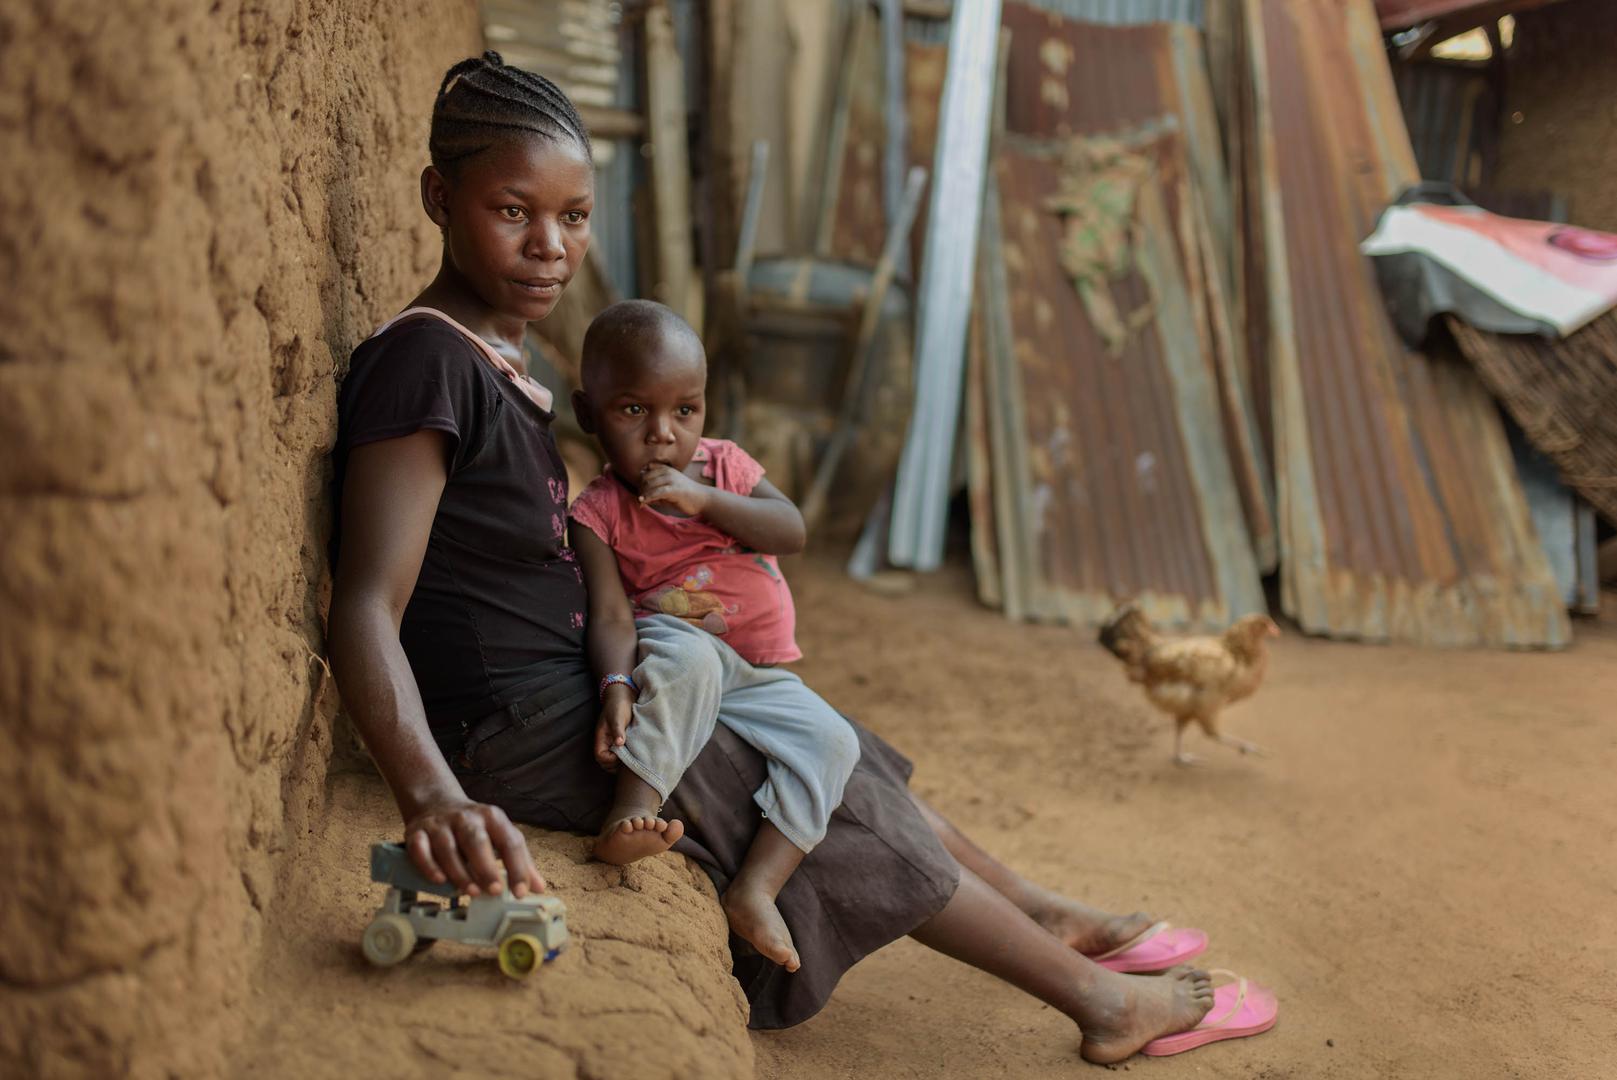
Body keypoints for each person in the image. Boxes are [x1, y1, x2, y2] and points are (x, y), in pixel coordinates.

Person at [327, 51, 1269, 1063]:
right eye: (514, 211)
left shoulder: (500, 361)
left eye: (575, 215)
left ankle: (1042, 912)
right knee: (826, 789)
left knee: (828, 737)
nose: (550, 245)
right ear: (439, 197)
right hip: (515, 727)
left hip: (570, 690)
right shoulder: (427, 361)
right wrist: (433, 793)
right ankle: (1102, 1001)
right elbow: (367, 605)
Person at [567, 298, 861, 974]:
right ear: (588, 416)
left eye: (685, 411)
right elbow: (612, 615)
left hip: (756, 674)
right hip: (679, 650)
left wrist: (704, 501)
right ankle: (630, 813)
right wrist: (614, 684)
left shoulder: (727, 469)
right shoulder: (597, 513)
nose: (663, 434)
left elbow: (790, 531)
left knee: (833, 740)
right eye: (633, 411)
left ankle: (757, 887)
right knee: (688, 653)